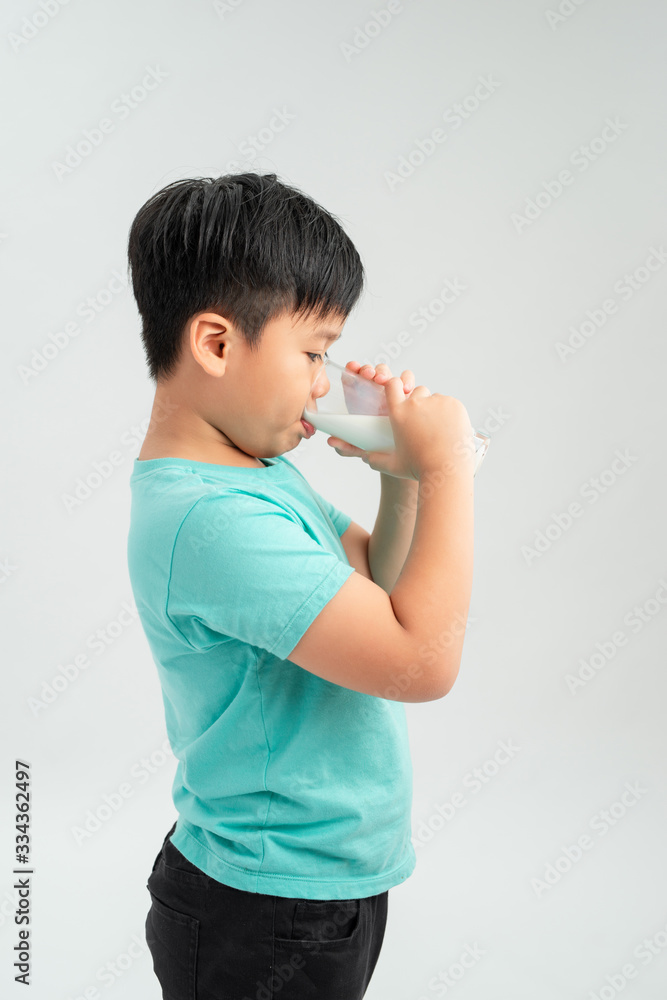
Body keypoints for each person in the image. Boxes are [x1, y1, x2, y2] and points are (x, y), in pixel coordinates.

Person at [125, 172, 475, 1000]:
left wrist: (403, 482)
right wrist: (450, 466)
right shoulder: (209, 520)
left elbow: (378, 594)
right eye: (313, 351)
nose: (324, 381)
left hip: (315, 887)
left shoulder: (257, 473)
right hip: (265, 905)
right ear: (216, 343)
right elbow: (417, 663)